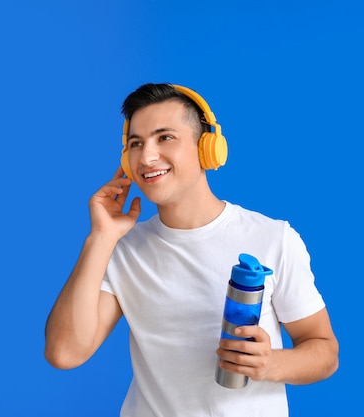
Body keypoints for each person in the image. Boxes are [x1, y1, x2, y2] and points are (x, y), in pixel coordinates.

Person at [44, 83, 339, 416]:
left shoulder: (273, 238)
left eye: (164, 137)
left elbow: (324, 352)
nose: (147, 156)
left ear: (206, 148)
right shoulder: (120, 249)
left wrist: (271, 364)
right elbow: (64, 352)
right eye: (135, 144)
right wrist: (99, 237)